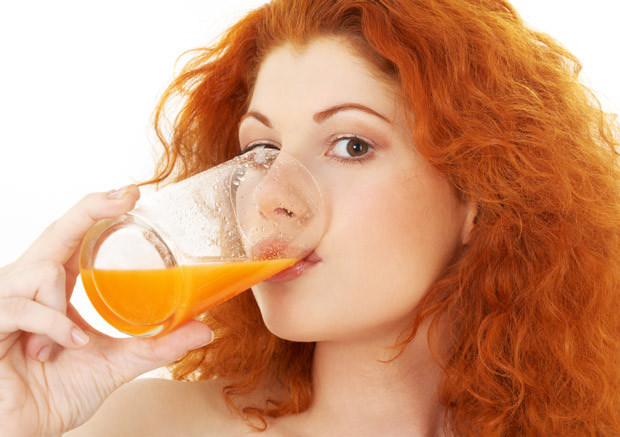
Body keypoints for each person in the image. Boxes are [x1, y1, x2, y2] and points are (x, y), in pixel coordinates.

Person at [2, 0, 620, 435]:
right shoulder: (140, 429)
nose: (274, 195)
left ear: (478, 194)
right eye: (258, 152)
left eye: (352, 145)